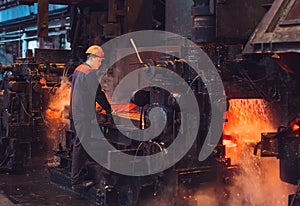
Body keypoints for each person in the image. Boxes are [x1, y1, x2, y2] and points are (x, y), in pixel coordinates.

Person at [70, 45, 112, 192]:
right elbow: (98, 94)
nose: (100, 64)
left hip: (76, 112)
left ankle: (80, 174)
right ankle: (76, 182)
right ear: (93, 58)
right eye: (100, 61)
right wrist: (109, 109)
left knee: (79, 144)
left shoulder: (78, 69)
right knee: (80, 145)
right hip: (82, 114)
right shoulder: (89, 72)